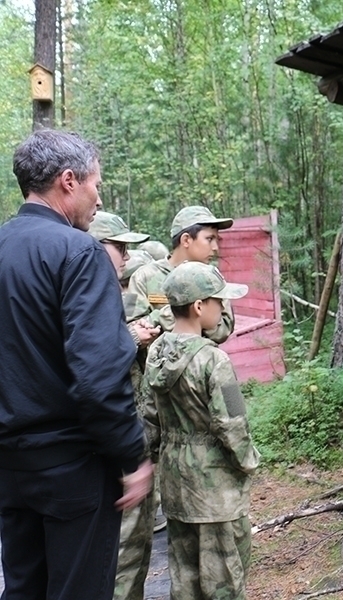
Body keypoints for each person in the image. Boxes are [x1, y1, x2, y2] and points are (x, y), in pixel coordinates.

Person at [0, 129, 153, 600]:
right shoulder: (78, 252)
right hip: (73, 465)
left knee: (23, 589)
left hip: (10, 467)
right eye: (97, 184)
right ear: (69, 181)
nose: (98, 197)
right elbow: (99, 375)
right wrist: (132, 455)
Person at [143, 261, 260, 600]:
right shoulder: (214, 361)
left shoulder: (156, 353)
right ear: (198, 307)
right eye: (218, 301)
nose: (222, 308)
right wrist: (248, 461)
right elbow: (233, 420)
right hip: (216, 490)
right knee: (224, 578)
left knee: (185, 577)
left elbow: (150, 417)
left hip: (176, 481)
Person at [88, 211, 162, 600]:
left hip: (129, 433)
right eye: (120, 248)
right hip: (109, 441)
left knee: (132, 543)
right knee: (119, 546)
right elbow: (86, 366)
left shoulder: (129, 295)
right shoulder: (85, 299)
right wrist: (129, 337)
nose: (128, 258)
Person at [127, 205, 235, 341]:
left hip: (201, 361)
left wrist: (161, 318)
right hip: (154, 361)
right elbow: (130, 328)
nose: (215, 248)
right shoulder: (142, 277)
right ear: (186, 240)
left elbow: (224, 329)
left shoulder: (213, 278)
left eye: (216, 240)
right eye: (209, 239)